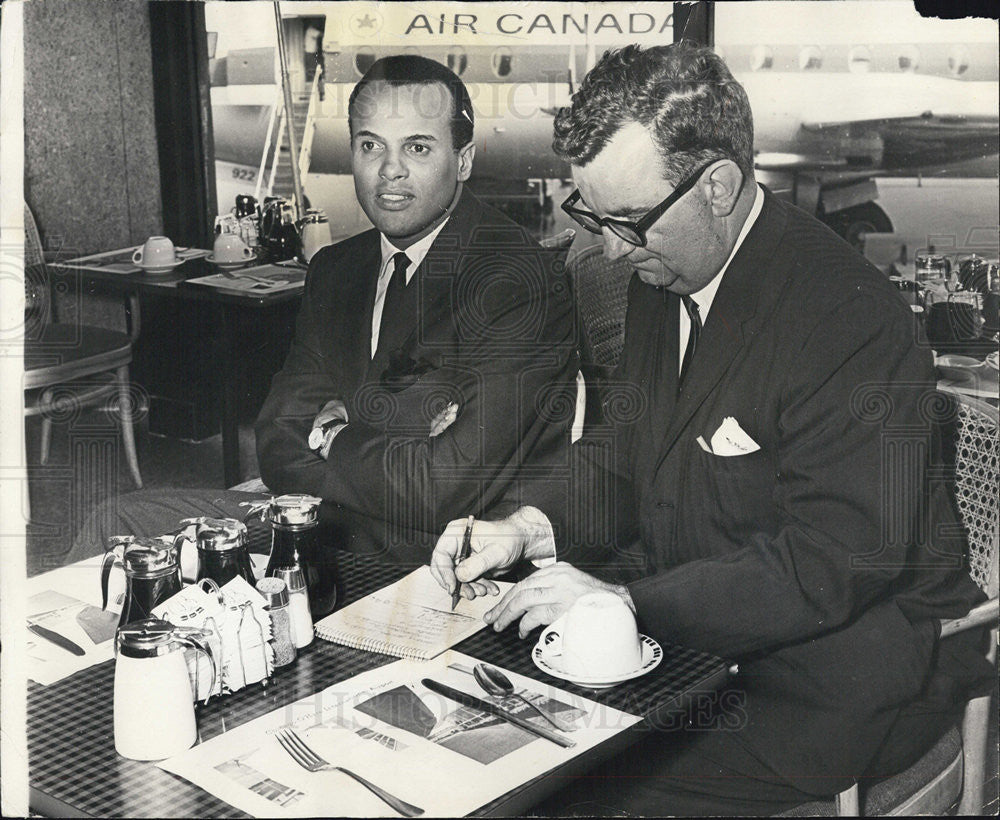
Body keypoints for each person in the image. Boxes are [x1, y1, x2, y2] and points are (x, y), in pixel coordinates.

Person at [430, 43, 992, 816]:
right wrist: (528, 527)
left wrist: (626, 602)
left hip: (820, 689)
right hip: (696, 655)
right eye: (592, 216)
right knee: (478, 740)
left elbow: (829, 563)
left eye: (627, 221)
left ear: (719, 187)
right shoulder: (667, 273)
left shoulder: (851, 321)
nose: (609, 249)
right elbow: (630, 448)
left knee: (557, 796)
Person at [67, 55, 576, 565]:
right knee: (116, 525)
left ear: (463, 160)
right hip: (311, 523)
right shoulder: (337, 268)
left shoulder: (517, 281)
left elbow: (441, 489)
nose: (390, 170)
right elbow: (276, 440)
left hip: (436, 562)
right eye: (370, 145)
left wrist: (333, 434)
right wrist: (402, 437)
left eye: (417, 147)